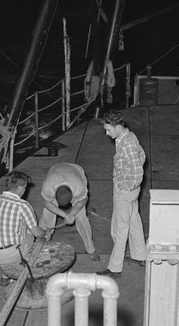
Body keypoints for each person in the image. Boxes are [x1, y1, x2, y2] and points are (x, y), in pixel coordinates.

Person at [97, 110, 147, 278]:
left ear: (118, 126)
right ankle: (140, 255)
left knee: (119, 229)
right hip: (131, 191)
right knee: (134, 221)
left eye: (108, 129)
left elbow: (138, 171)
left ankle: (114, 268)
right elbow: (142, 155)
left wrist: (126, 185)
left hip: (125, 191)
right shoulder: (127, 136)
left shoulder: (127, 144)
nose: (106, 133)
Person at [0, 170, 48, 286]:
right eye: (25, 187)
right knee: (30, 234)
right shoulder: (23, 205)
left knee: (0, 227)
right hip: (8, 254)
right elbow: (37, 232)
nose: (25, 190)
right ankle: (6, 275)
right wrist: (45, 232)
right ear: (19, 188)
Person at [39, 163, 101, 261]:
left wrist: (71, 214)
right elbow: (47, 203)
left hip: (76, 170)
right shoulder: (48, 187)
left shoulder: (79, 187)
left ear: (73, 196)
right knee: (47, 216)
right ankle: (43, 242)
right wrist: (64, 215)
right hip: (55, 170)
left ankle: (91, 249)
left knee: (81, 218)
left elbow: (82, 201)